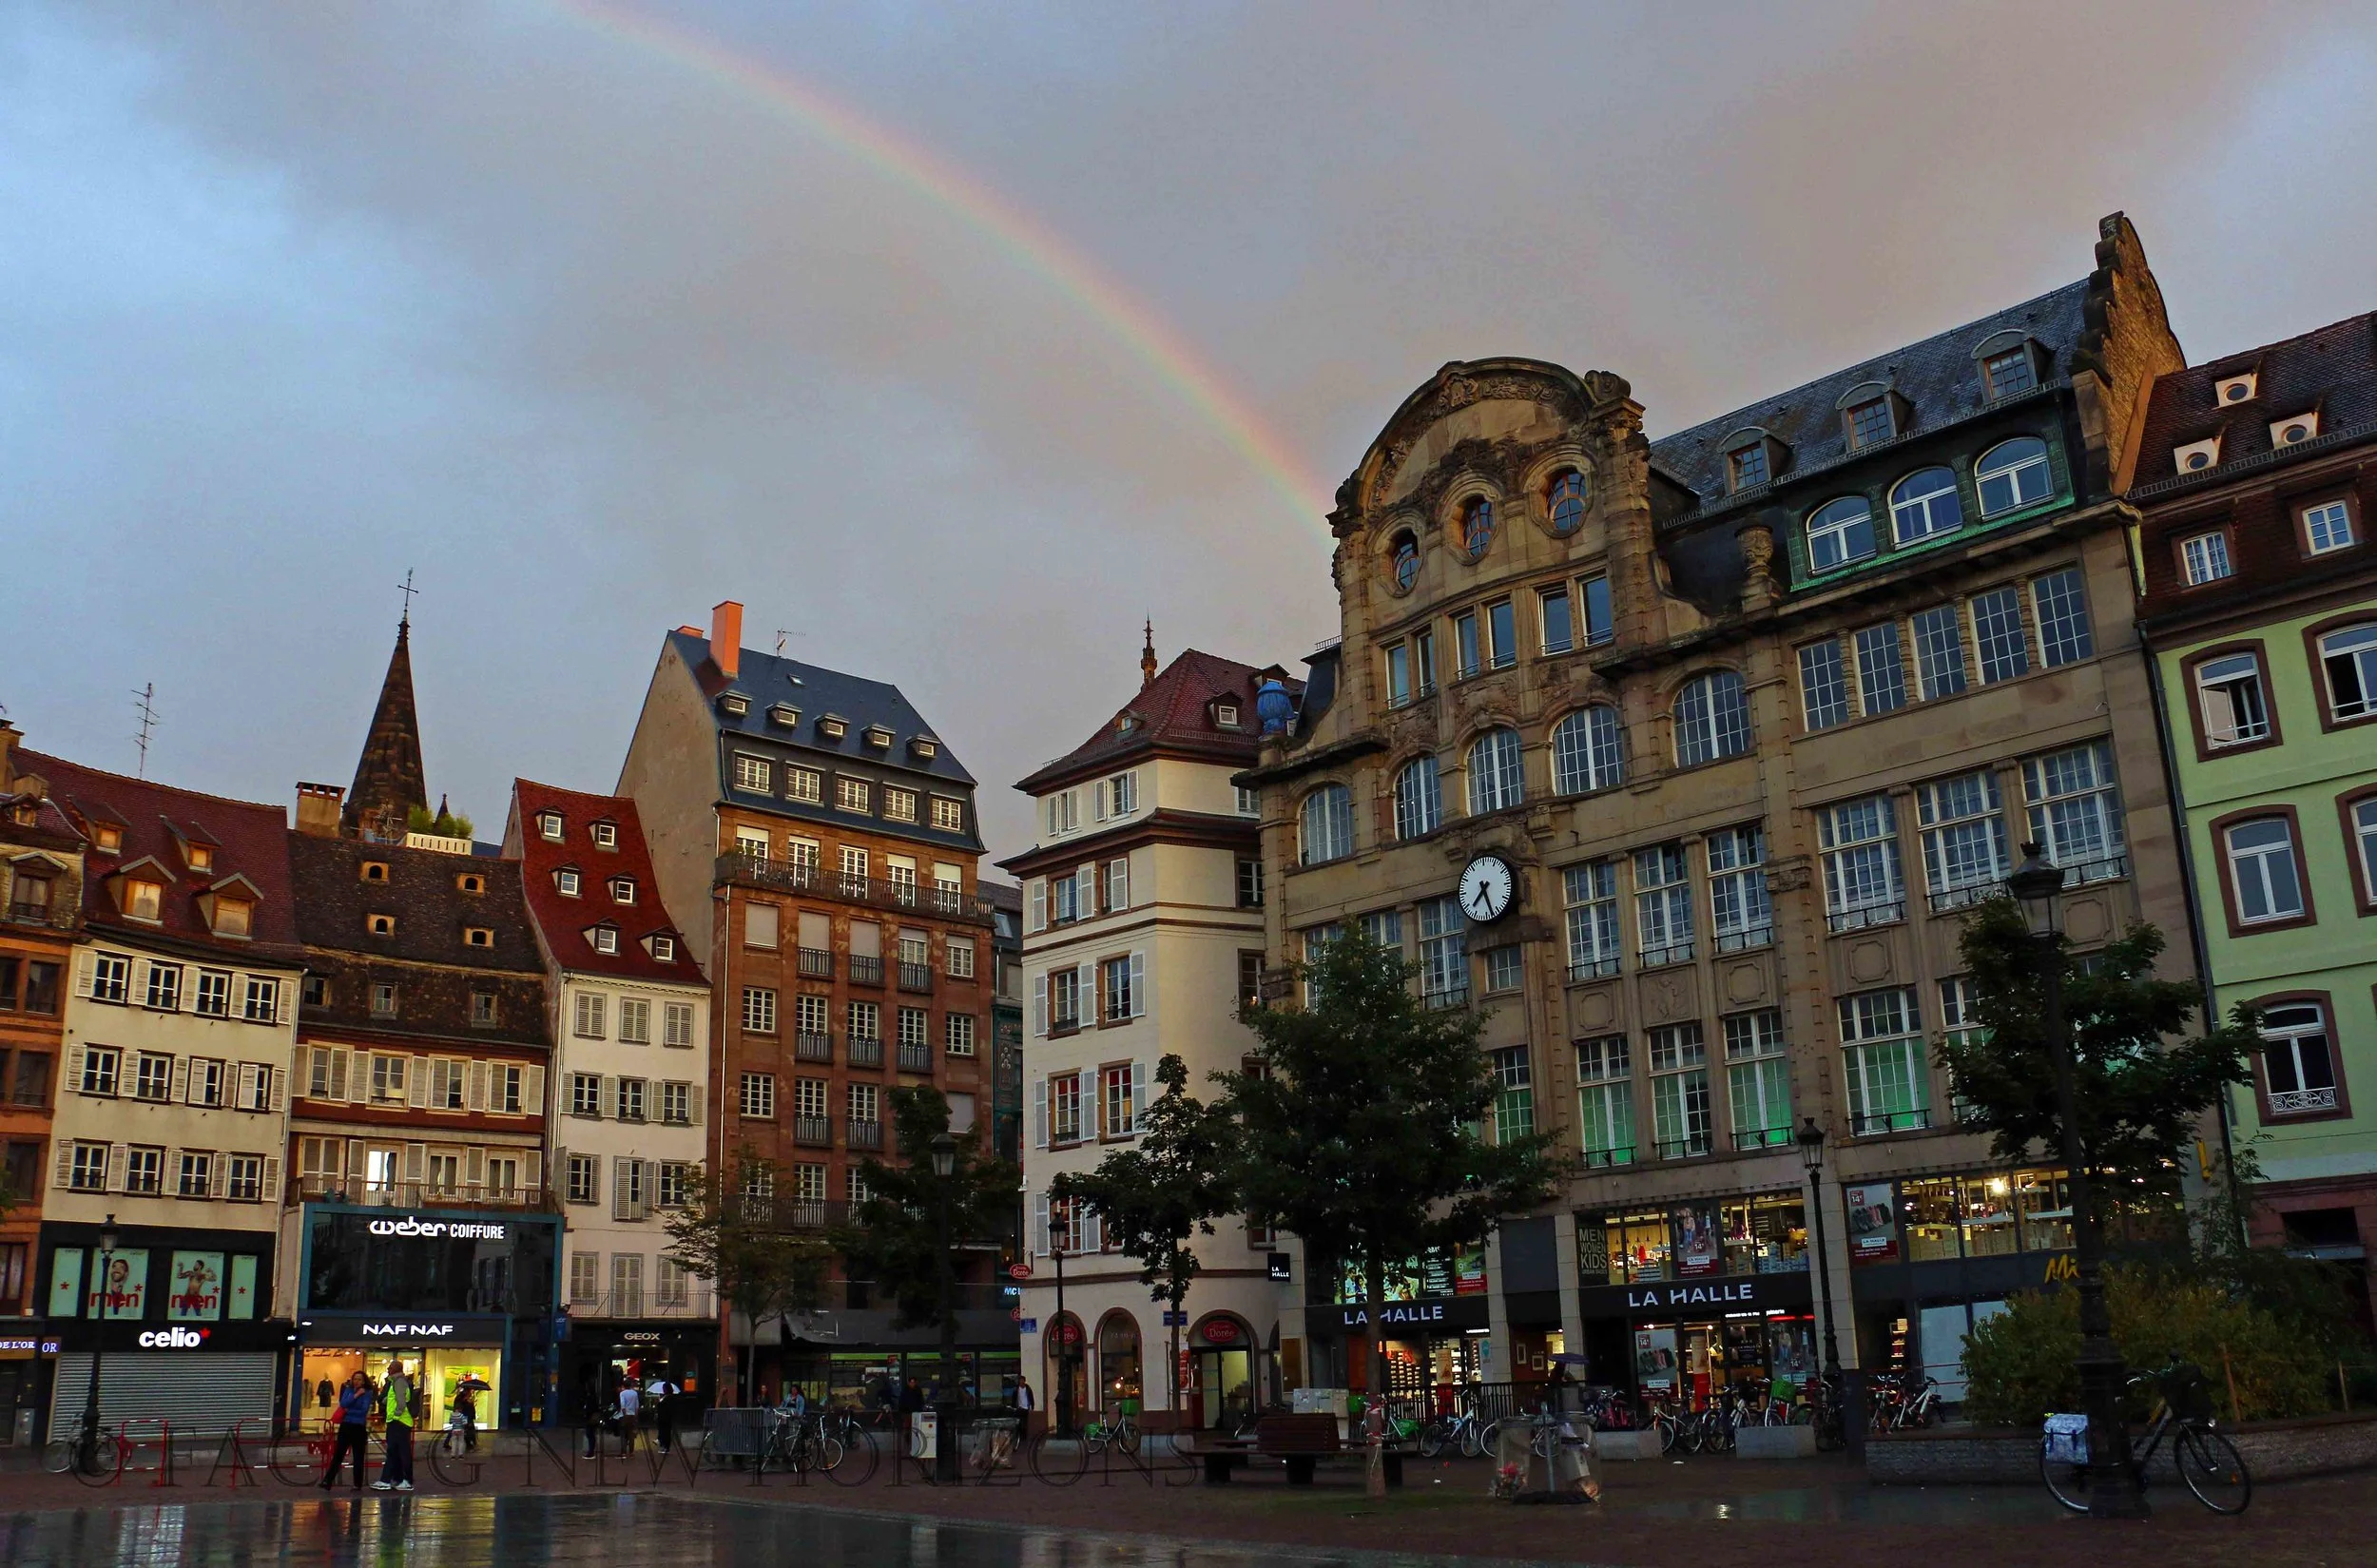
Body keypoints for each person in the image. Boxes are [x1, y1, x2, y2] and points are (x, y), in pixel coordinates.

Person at [321, 1373, 373, 1490]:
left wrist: (349, 1410)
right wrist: (355, 1396)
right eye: (355, 1379)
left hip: (358, 1427)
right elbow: (343, 1404)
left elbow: (363, 1410)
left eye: (359, 1379)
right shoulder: (349, 1390)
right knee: (339, 1453)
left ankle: (357, 1483)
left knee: (358, 1456)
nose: (357, 1381)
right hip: (346, 1425)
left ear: (364, 1381)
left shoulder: (367, 1393)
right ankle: (328, 1481)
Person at [373, 1364, 415, 1492]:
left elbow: (401, 1402)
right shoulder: (397, 1382)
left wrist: (396, 1415)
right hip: (398, 1421)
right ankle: (399, 1479)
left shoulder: (399, 1382)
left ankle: (391, 1480)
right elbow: (397, 1399)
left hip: (398, 1422)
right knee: (397, 1452)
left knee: (395, 1452)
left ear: (396, 1369)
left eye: (390, 1367)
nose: (388, 1369)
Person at [645, 1371, 679, 1456]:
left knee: (666, 1432)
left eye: (664, 1388)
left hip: (665, 1418)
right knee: (663, 1431)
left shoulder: (669, 1398)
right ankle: (662, 1443)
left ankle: (665, 1446)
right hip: (663, 1418)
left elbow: (665, 1408)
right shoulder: (665, 1397)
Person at [616, 1376, 642, 1452]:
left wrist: (624, 1414)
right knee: (631, 1434)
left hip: (625, 1415)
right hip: (633, 1414)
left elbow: (622, 1405)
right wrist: (636, 1416)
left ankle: (623, 1451)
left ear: (624, 1385)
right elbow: (637, 1406)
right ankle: (631, 1451)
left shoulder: (622, 1393)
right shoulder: (634, 1393)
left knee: (623, 1434)